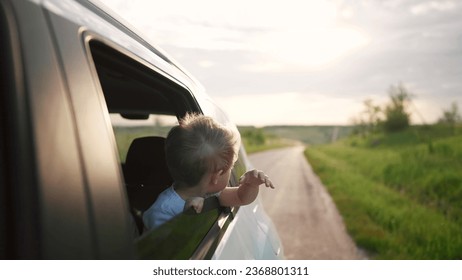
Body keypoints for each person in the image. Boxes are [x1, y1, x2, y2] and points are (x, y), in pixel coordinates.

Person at [143, 113, 274, 230]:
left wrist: (250, 185)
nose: (232, 171)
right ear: (216, 176)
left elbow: (240, 197)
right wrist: (188, 216)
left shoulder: (212, 193)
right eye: (231, 168)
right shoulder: (163, 210)